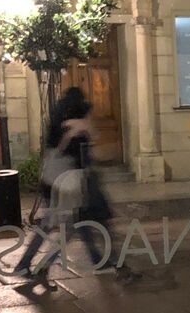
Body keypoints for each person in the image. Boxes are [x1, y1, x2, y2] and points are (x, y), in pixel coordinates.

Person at [12, 86, 117, 280]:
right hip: (67, 184)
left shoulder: (58, 121)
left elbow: (56, 150)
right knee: (61, 226)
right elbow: (85, 156)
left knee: (75, 224)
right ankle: (27, 264)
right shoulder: (79, 127)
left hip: (51, 180)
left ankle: (97, 260)